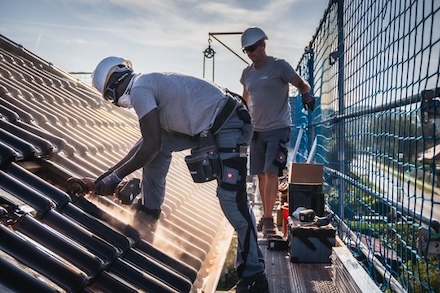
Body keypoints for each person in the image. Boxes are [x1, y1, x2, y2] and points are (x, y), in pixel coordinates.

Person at [91, 56, 269, 292]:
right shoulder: (146, 83)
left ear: (115, 83)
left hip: (230, 124)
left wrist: (115, 178)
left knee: (232, 199)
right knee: (158, 146)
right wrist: (110, 174)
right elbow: (147, 143)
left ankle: (254, 275)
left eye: (110, 97)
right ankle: (149, 210)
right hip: (216, 123)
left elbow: (150, 144)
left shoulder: (140, 90)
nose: (116, 103)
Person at [240, 27, 315, 237]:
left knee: (272, 172)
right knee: (261, 176)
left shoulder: (279, 66)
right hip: (256, 130)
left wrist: (306, 94)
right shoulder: (247, 74)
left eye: (253, 48)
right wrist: (241, 121)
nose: (250, 53)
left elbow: (302, 84)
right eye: (247, 50)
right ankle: (266, 217)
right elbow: (245, 100)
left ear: (263, 45)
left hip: (278, 128)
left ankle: (267, 220)